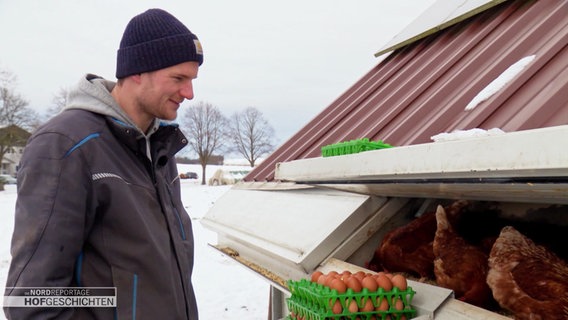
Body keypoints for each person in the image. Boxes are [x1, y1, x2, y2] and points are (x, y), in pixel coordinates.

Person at [4, 8, 203, 319]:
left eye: (192, 79)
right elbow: (31, 299)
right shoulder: (66, 145)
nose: (189, 93)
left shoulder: (158, 145)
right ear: (138, 71)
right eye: (178, 78)